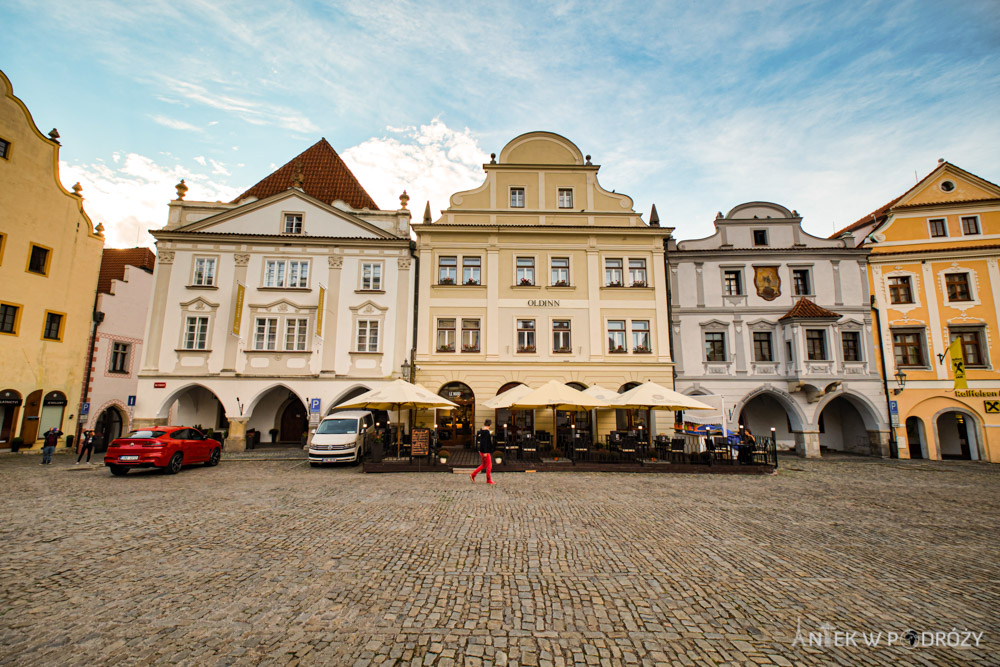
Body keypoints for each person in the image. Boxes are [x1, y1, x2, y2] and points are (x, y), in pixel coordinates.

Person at [470, 419, 496, 485]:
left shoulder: (482, 431)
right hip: (485, 451)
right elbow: (485, 442)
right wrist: (485, 451)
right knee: (489, 465)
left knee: (484, 464)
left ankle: (473, 474)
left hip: (482, 450)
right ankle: (488, 479)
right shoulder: (486, 432)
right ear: (490, 424)